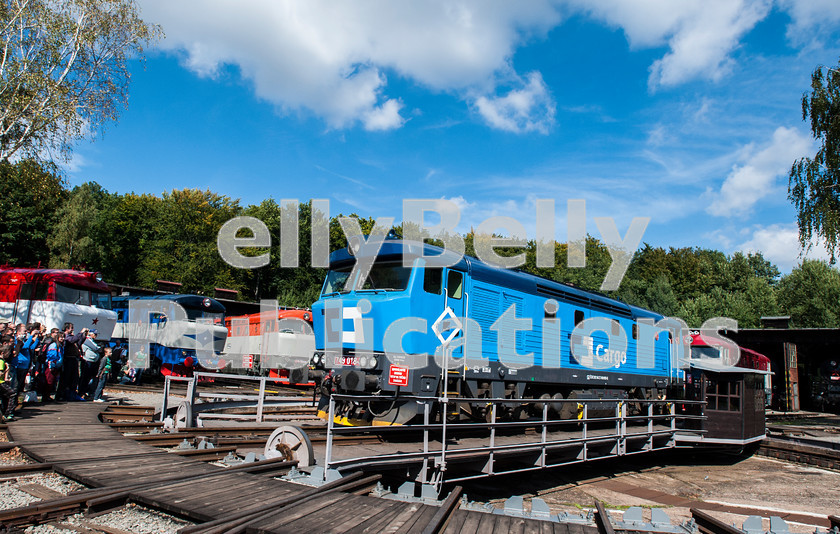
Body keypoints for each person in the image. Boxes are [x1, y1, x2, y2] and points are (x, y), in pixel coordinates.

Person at [40, 331, 64, 402]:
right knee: (49, 381)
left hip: (57, 366)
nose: (63, 338)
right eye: (61, 337)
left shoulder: (60, 345)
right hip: (52, 365)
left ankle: (48, 395)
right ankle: (45, 396)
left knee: (52, 381)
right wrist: (52, 365)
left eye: (63, 337)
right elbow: (51, 356)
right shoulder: (54, 345)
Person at [78, 330, 101, 399]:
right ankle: (81, 392)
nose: (96, 336)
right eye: (95, 334)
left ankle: (86, 391)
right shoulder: (87, 340)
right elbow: (96, 348)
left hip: (92, 361)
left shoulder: (92, 340)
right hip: (87, 361)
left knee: (89, 377)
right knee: (85, 377)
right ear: (91, 334)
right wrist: (100, 347)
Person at [0, 345, 17, 421]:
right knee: (12, 394)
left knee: (5, 396)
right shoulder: (1, 361)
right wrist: (6, 369)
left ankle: (5, 412)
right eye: (8, 353)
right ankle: (8, 413)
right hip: (0, 383)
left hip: (2, 381)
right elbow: (0, 373)